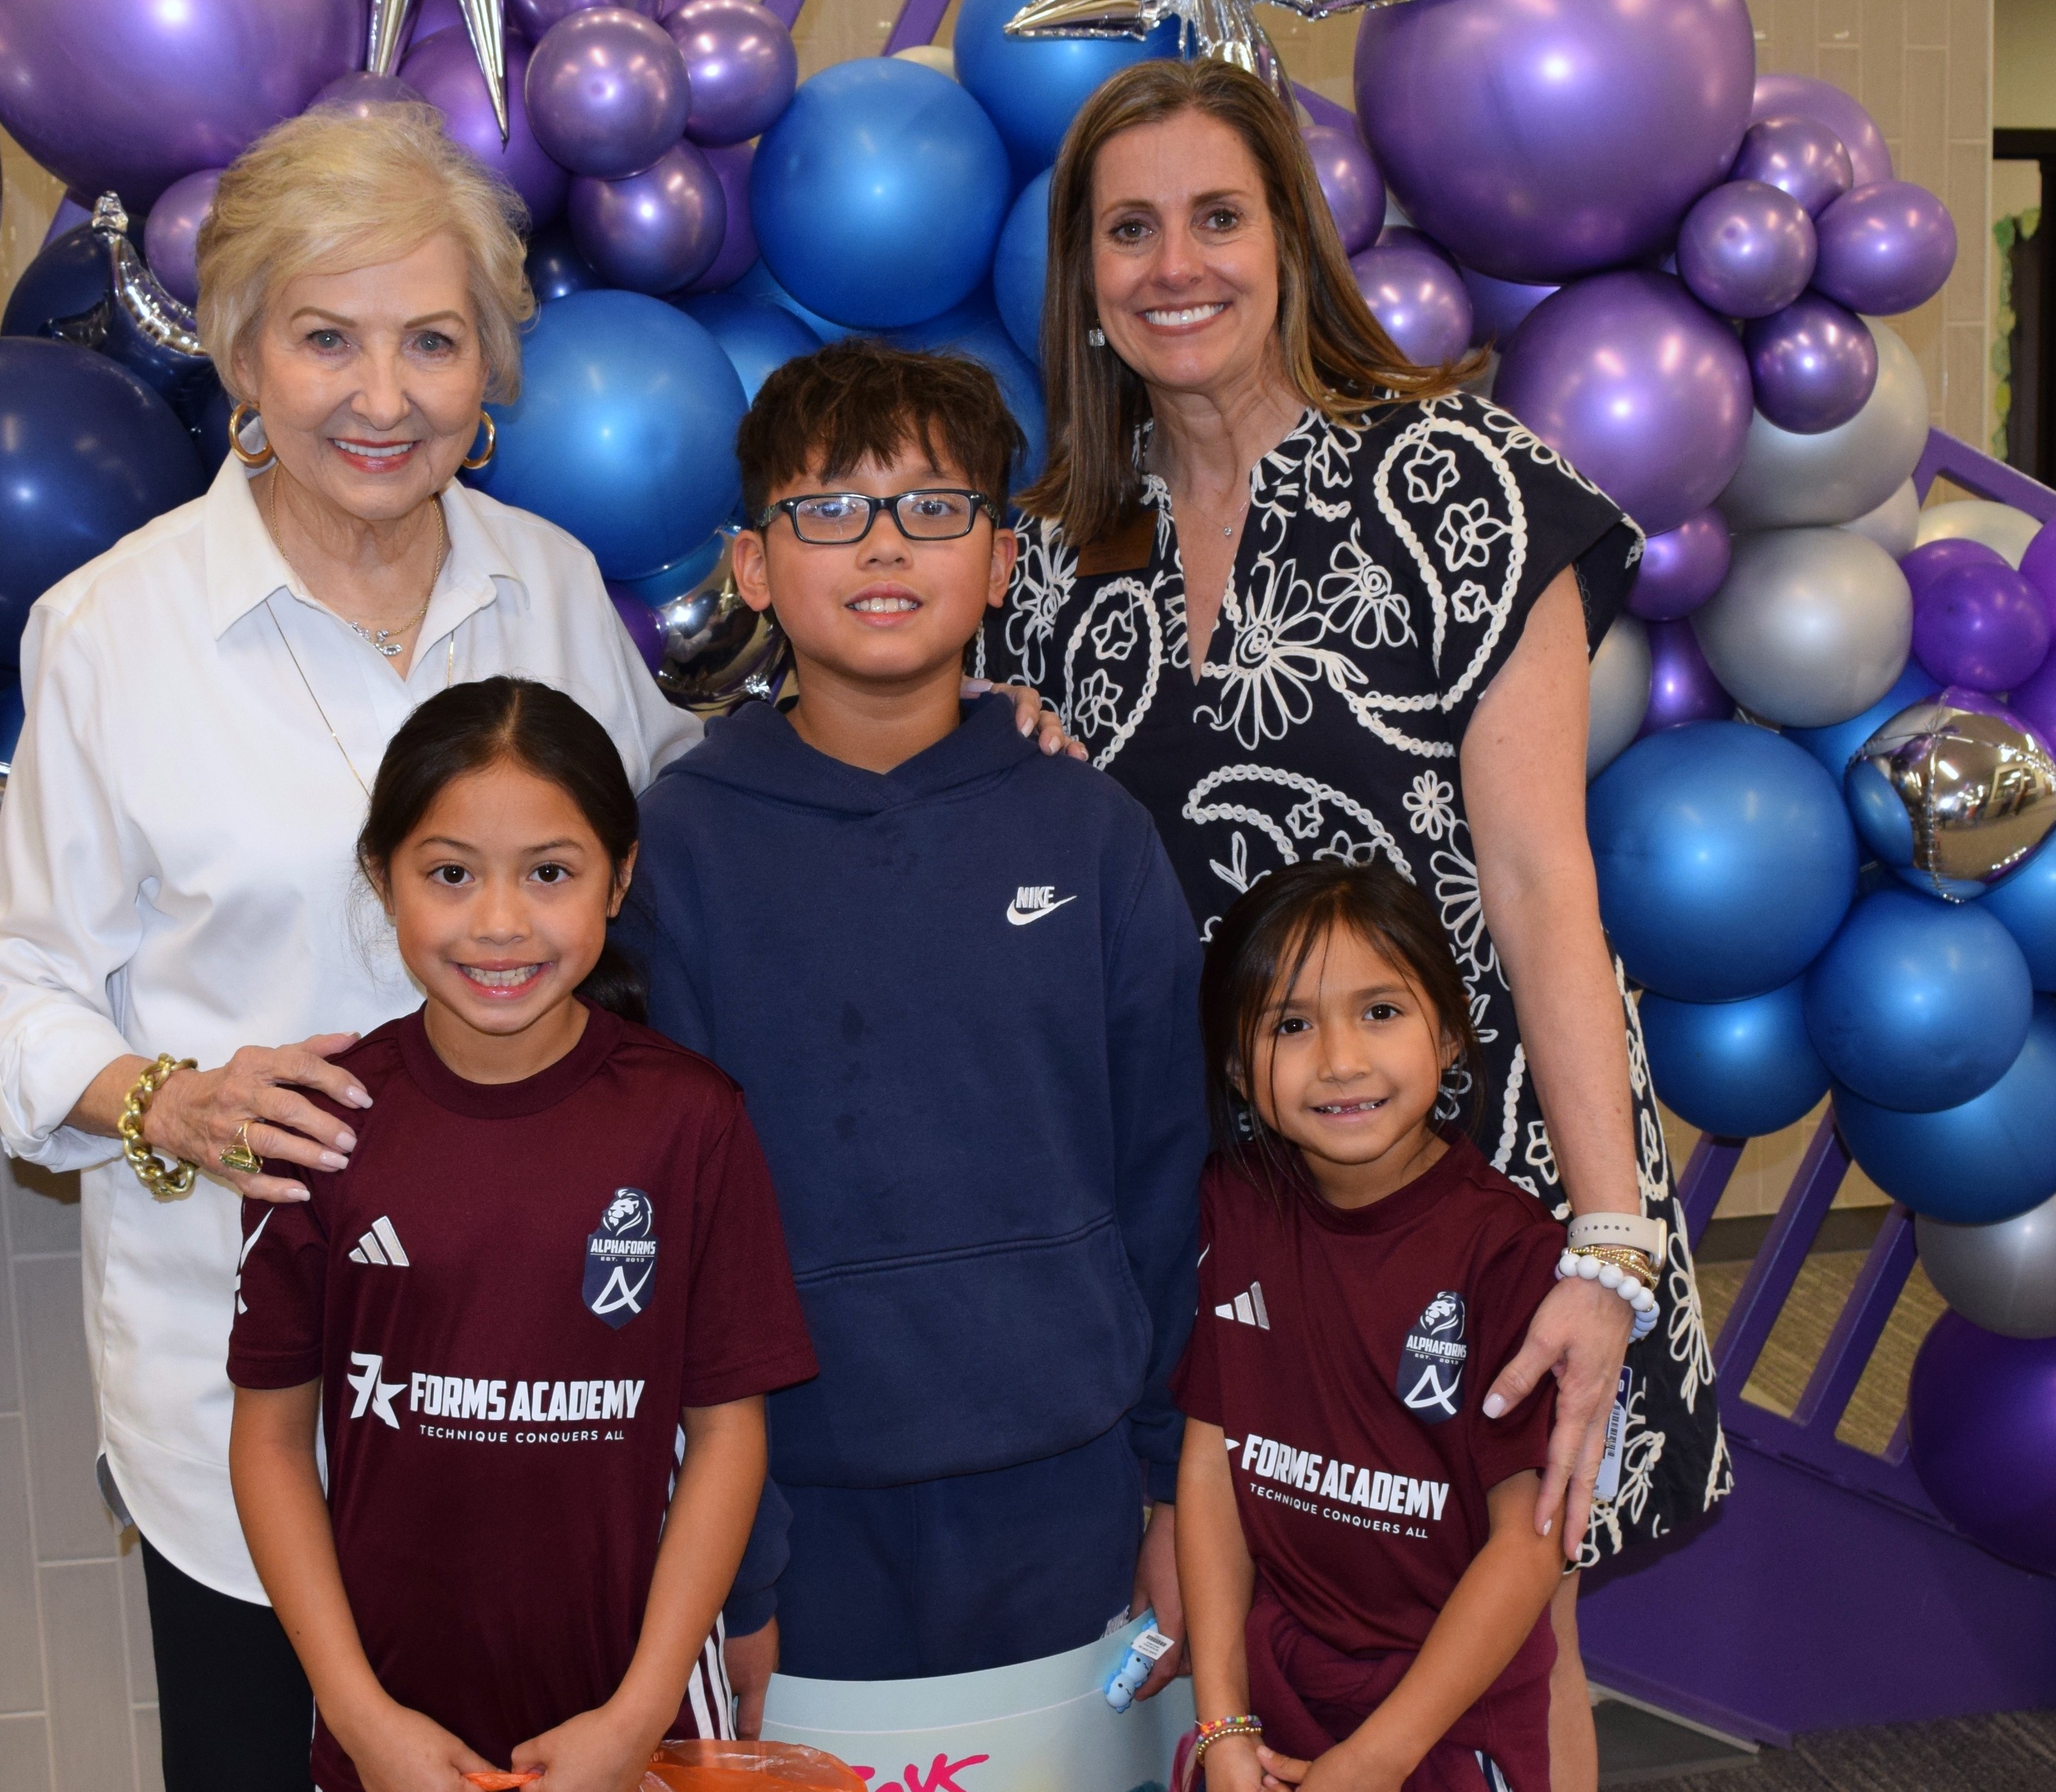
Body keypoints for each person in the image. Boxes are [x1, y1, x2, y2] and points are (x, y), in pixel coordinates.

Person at [0, 108, 705, 1789]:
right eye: (326, 338)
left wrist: (933, 737)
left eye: (433, 340)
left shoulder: (558, 592)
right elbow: (14, 979)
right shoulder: (115, 630)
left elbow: (690, 867)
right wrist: (167, 1098)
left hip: (546, 1393)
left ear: (491, 368)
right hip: (249, 1405)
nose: (383, 396)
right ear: (239, 352)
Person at [986, 61, 1727, 1784]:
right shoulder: (1049, 566)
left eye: (1220, 217)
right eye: (1131, 228)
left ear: (1294, 245)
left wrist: (1607, 1244)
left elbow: (1545, 876)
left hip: (1478, 1169)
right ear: (1084, 281)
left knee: (1501, 1623)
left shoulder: (1462, 487)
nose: (1178, 264)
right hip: (1216, 1202)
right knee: (1215, 1609)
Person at [618, 341, 1205, 1719]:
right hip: (793, 1520)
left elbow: (1170, 1186)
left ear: (1000, 561)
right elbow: (673, 1234)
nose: (884, 547)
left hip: (1069, 1501)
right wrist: (734, 1567)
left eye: (935, 508)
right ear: (755, 566)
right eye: (829, 510)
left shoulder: (1094, 834)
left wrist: (1176, 1486)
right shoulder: (677, 850)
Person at [225, 677, 817, 1792]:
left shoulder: (690, 1119)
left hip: (634, 1728)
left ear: (620, 876)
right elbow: (268, 1444)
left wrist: (638, 1717)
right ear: (380, 877)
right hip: (390, 1733)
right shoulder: (321, 1123)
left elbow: (729, 1435)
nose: (500, 922)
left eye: (550, 872)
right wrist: (363, 1719)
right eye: (450, 874)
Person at [1174, 860, 1586, 1792]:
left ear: (1447, 1031)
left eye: (1380, 1011)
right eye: (1291, 1024)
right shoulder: (1232, 1205)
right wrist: (1222, 1722)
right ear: (1240, 1068)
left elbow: (1530, 1541)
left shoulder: (1511, 1251)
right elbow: (1211, 1462)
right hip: (1276, 1683)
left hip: (1445, 1708)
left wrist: (1378, 1756)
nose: (1341, 1061)